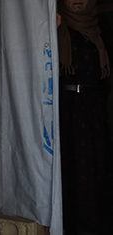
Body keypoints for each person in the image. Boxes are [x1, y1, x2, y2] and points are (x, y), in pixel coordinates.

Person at [57, 0, 113, 234]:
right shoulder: (55, 27)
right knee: (68, 172)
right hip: (67, 110)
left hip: (96, 113)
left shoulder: (102, 31)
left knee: (95, 172)